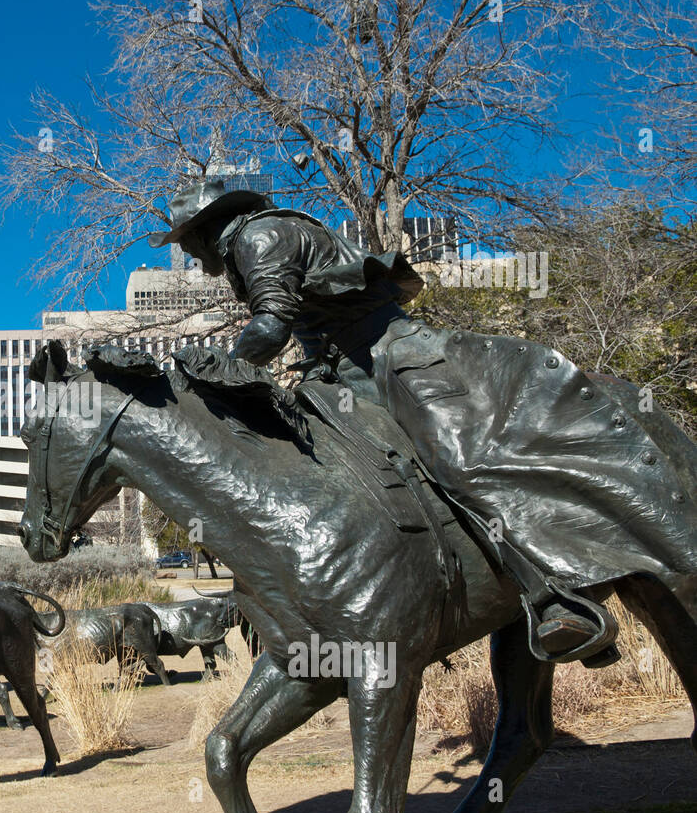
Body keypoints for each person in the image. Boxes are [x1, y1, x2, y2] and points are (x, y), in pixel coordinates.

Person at [149, 180, 697, 665]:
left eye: (186, 241)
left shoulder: (259, 238)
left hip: (394, 358)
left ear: (204, 229)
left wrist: (200, 389)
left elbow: (270, 329)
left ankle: (557, 594)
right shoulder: (251, 243)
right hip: (341, 373)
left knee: (460, 464)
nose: (191, 255)